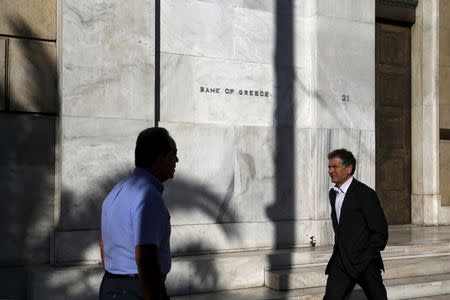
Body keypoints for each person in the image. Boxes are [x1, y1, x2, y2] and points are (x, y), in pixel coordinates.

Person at [99, 127, 178, 300]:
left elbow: (104, 243)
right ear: (159, 157)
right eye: (173, 153)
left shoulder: (116, 191)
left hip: (110, 286)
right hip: (137, 289)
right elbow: (146, 258)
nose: (177, 160)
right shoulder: (148, 196)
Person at [323, 149, 388, 300]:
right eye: (329, 167)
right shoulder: (333, 194)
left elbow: (380, 233)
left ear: (349, 168)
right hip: (341, 261)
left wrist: (364, 257)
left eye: (334, 167)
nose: (330, 171)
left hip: (365, 263)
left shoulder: (366, 194)